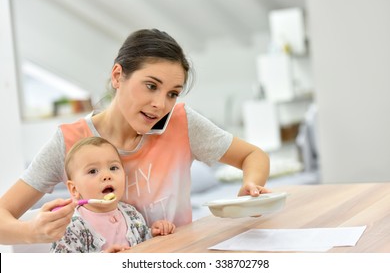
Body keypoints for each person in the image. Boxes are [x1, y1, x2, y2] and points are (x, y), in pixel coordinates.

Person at [0, 28, 270, 246]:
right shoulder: (70, 140)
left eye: (172, 93)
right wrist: (32, 232)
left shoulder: (181, 121)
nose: (160, 104)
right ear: (118, 76)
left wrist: (251, 188)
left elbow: (252, 155)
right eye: (151, 86)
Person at [51, 136, 175, 253]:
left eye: (113, 168)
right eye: (93, 171)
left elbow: (143, 242)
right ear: (74, 189)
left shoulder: (131, 213)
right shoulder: (70, 226)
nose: (107, 176)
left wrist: (154, 234)